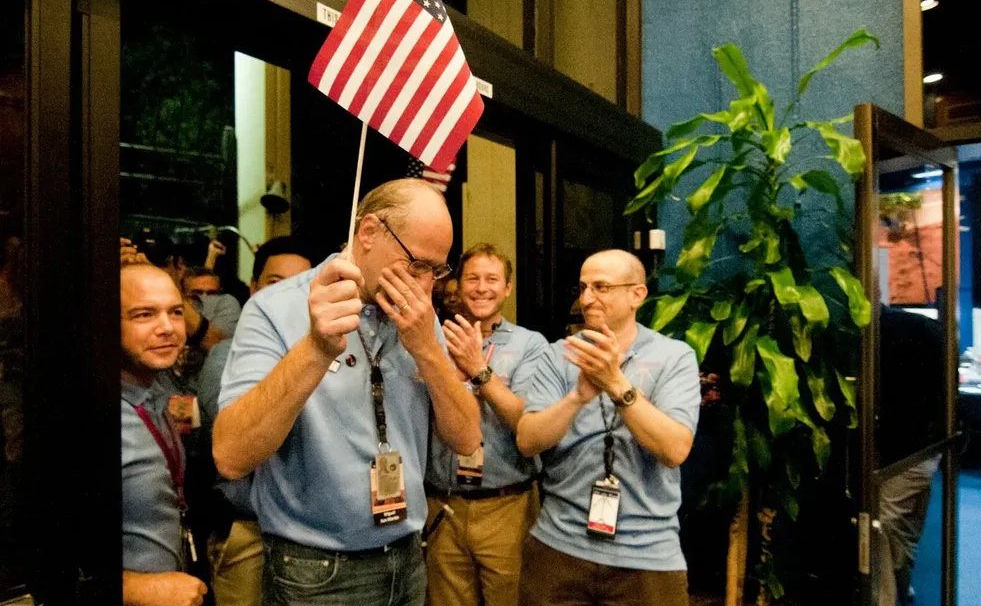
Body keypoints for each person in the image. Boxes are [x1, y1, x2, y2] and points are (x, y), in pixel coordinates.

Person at [213, 179, 481, 606]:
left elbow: (467, 439)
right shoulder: (275, 308)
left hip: (408, 556)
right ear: (369, 233)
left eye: (436, 270)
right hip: (314, 569)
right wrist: (316, 349)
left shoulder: (421, 317)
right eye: (415, 265)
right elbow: (230, 455)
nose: (426, 285)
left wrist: (429, 350)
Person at [516, 249, 700, 606]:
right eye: (583, 287)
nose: (586, 298)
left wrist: (616, 384)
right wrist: (577, 398)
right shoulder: (560, 355)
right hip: (559, 547)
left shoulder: (673, 356)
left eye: (601, 287)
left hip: (647, 557)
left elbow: (675, 449)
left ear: (637, 295)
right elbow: (527, 440)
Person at [424, 244, 548, 606]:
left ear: (507, 288)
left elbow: (527, 423)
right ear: (458, 286)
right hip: (441, 504)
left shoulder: (530, 346)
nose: (481, 288)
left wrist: (479, 370)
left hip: (505, 504)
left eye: (492, 279)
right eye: (473, 278)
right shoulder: (433, 341)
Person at [196, 236, 313, 606]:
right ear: (254, 287)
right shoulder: (227, 354)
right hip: (250, 531)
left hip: (310, 535)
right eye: (277, 283)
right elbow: (236, 441)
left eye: (303, 284)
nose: (290, 294)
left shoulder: (328, 353)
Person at [120, 262, 208, 606]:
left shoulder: (155, 395)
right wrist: (138, 590)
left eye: (175, 312)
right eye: (144, 315)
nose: (168, 328)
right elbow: (42, 545)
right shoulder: (92, 415)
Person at [876, 306, 946, 606]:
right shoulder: (920, 328)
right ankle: (901, 589)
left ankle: (887, 599)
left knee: (886, 527)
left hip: (906, 450)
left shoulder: (887, 335)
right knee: (901, 530)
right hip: (928, 448)